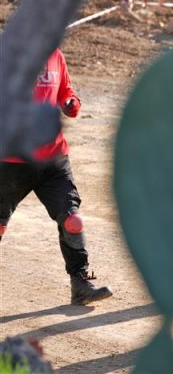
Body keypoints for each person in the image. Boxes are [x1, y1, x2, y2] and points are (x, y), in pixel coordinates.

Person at [0, 48, 113, 306]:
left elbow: (65, 90)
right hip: (11, 161)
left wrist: (70, 103)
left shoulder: (54, 55)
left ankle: (80, 284)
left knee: (72, 220)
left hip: (52, 157)